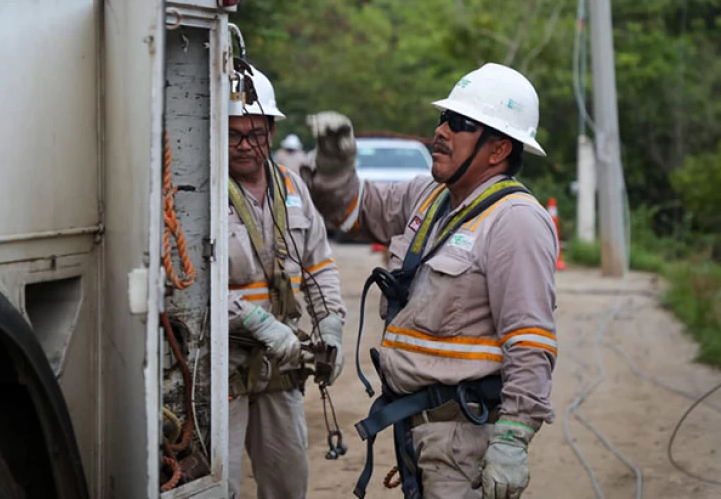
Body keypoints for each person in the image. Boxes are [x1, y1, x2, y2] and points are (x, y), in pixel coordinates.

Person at [303, 63, 558, 499]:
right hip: (419, 433)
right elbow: (349, 210)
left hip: (466, 441)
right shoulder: (430, 197)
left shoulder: (515, 221)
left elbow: (531, 341)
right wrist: (335, 161)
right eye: (443, 117)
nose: (441, 130)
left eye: (460, 123)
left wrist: (513, 438)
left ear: (497, 150)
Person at [226, 62, 347, 499]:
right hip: (223, 365)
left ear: (271, 133)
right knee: (220, 484)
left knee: (287, 482)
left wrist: (331, 323)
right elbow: (188, 282)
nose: (245, 146)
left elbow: (318, 264)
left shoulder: (292, 186)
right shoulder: (197, 193)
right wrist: (256, 323)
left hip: (281, 365)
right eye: (233, 133)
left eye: (255, 134)